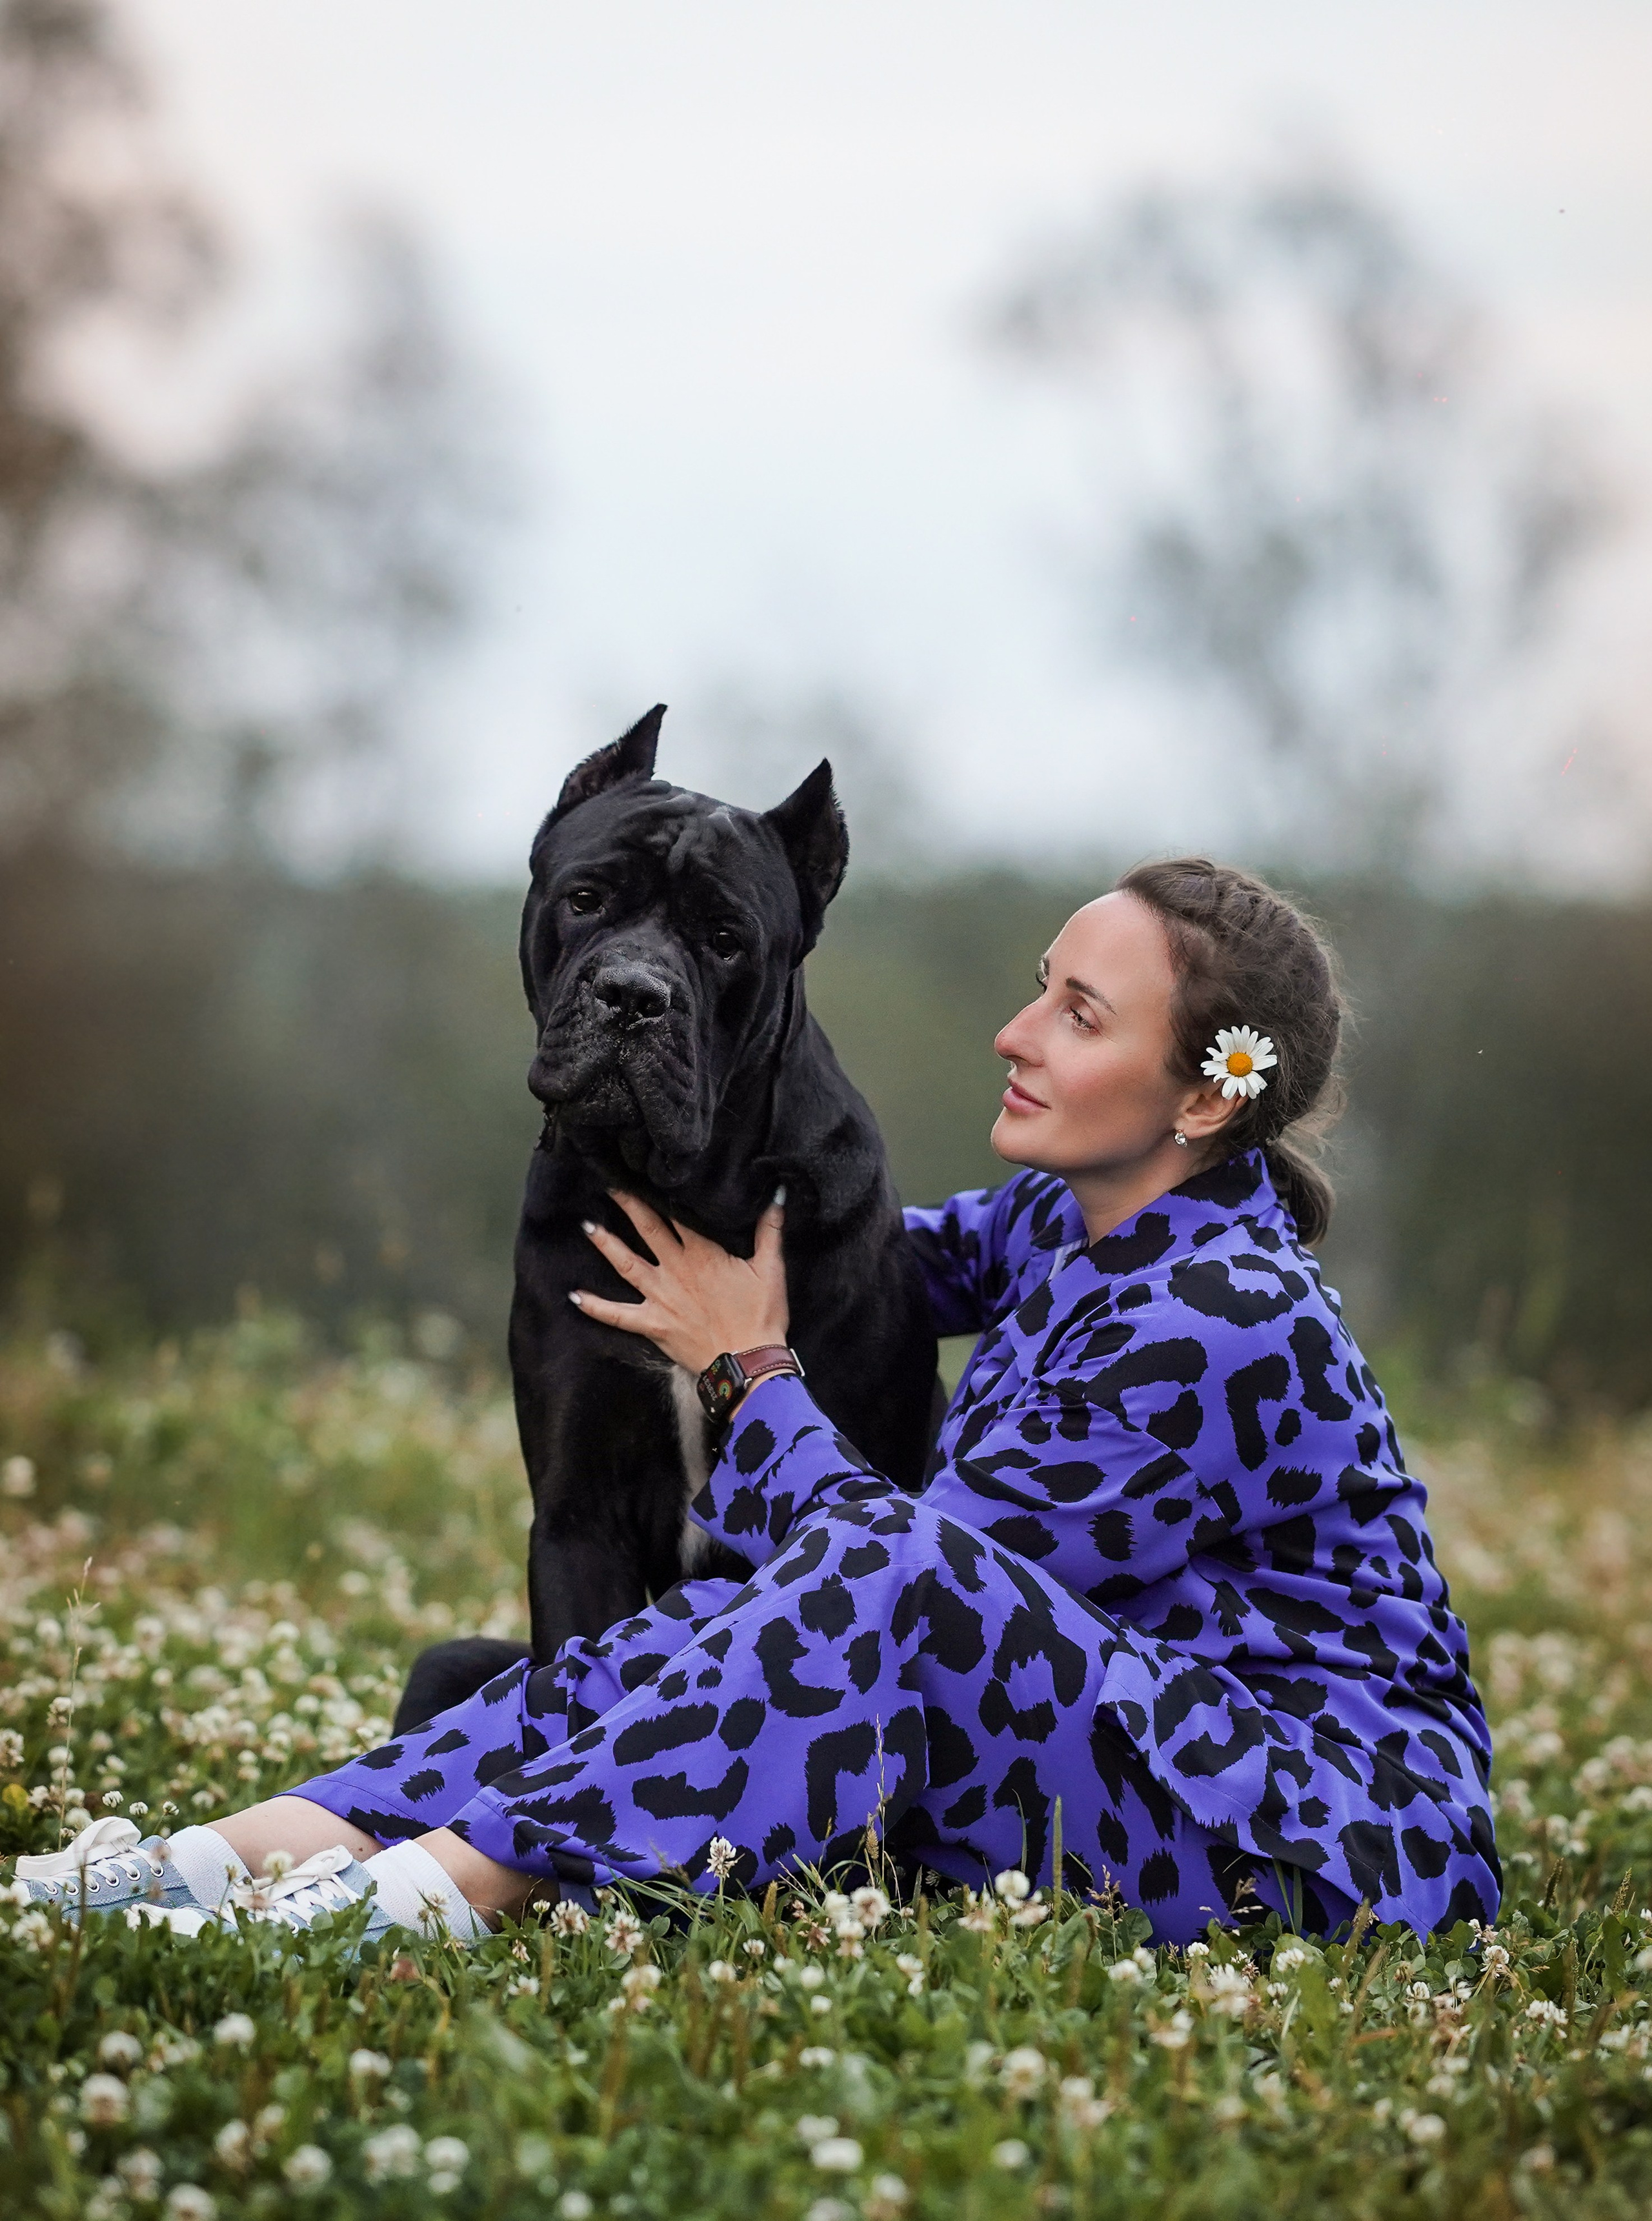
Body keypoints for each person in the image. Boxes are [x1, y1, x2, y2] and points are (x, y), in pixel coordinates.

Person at [16, 859, 1499, 1945]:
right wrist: (711, 1184)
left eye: (1075, 1012)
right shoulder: (1070, 1224)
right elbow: (870, 1259)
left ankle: (399, 1909)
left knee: (853, 1594)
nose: (1012, 1030)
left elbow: (894, 1583)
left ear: (1200, 1098)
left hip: (1310, 1835)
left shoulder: (1219, 1317)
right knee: (662, 1639)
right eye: (1036, 984)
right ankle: (211, 1863)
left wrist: (748, 1366)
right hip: (1116, 1759)